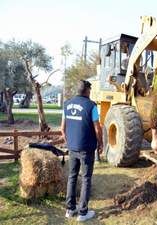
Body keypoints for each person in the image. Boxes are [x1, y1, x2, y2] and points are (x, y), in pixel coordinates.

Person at [61, 80, 103, 222]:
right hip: (86, 149)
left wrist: (69, 142)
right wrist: (101, 143)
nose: (90, 92)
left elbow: (62, 128)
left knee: (72, 177)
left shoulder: (66, 104)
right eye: (90, 89)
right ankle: (83, 213)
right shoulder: (91, 106)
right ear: (87, 90)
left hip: (72, 147)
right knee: (86, 178)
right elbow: (97, 128)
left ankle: (70, 209)